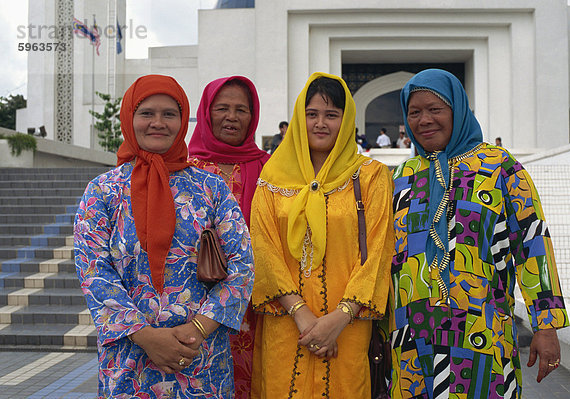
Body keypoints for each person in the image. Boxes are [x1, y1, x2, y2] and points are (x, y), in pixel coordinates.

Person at [390, 69, 569, 398]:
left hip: (481, 339)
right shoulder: (402, 177)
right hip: (413, 342)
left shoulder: (500, 167)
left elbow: (532, 244)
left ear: (457, 111)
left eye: (435, 109)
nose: (424, 120)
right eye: (414, 112)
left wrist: (546, 325)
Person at [73, 74, 254, 398]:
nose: (158, 123)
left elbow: (242, 267)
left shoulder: (212, 189)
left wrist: (197, 330)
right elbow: (93, 270)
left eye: (169, 114)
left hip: (201, 361)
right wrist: (145, 336)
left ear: (183, 120)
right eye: (147, 113)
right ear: (129, 118)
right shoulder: (102, 190)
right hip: (129, 362)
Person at [250, 72, 395, 398]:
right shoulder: (272, 178)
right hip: (287, 324)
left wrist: (338, 319)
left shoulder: (371, 177)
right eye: (311, 114)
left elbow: (377, 251)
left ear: (346, 121)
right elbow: (263, 247)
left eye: (331, 115)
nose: (320, 123)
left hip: (348, 327)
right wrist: (301, 315)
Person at [187, 75, 269, 399]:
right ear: (206, 113)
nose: (232, 117)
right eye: (222, 108)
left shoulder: (271, 169)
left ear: (253, 116)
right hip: (195, 306)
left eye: (241, 109)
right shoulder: (183, 169)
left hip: (257, 303)